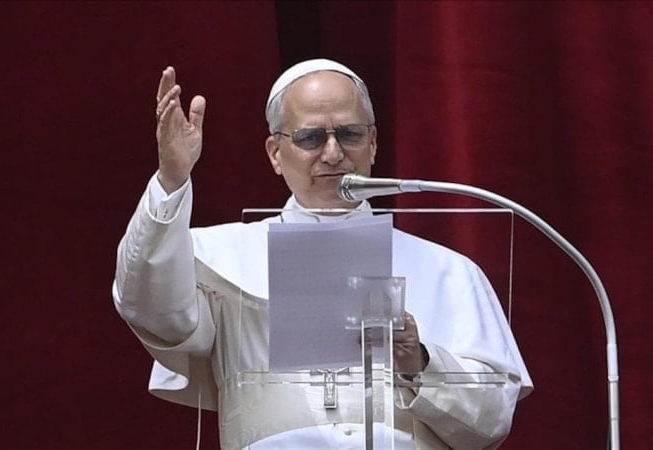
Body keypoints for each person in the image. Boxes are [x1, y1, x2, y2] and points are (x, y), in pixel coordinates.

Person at [113, 59, 533, 449]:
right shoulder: (217, 254)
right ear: (275, 154)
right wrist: (171, 180)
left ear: (372, 143)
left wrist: (419, 361)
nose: (333, 154)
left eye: (349, 135)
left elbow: (493, 418)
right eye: (311, 138)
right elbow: (150, 308)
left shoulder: (446, 269)